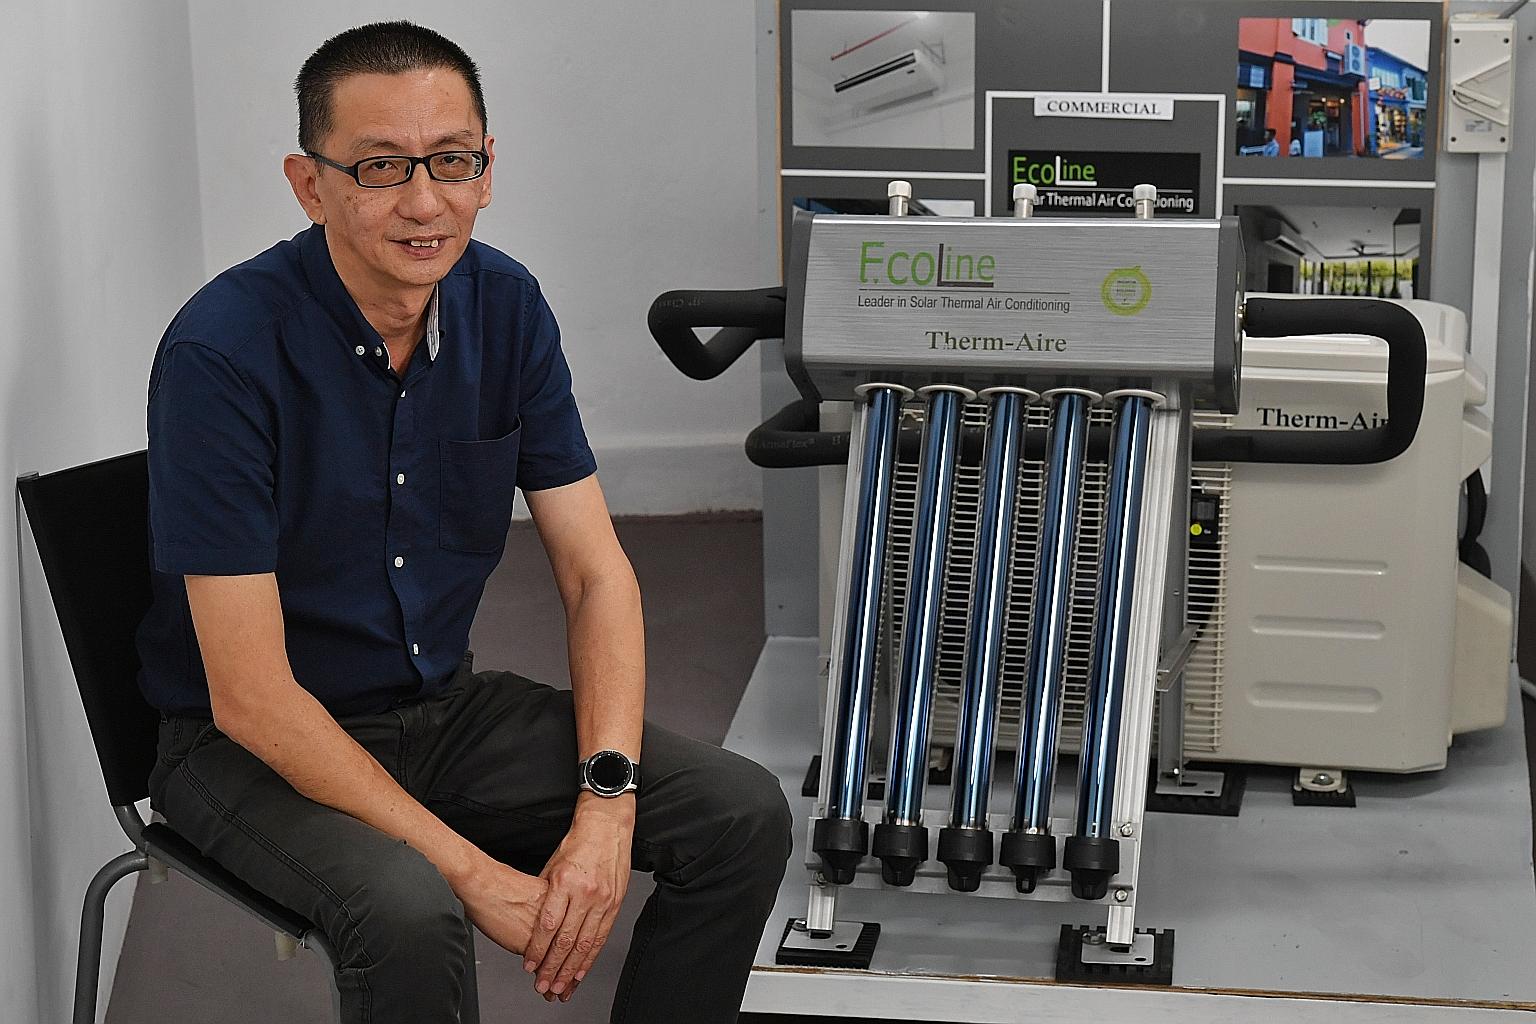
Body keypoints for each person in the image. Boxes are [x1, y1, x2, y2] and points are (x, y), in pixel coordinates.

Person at [135, 20, 792, 1024]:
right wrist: (475, 872)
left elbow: (595, 576)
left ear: (489, 169)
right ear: (310, 184)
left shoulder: (506, 307)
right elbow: (254, 698)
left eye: (452, 160)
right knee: (413, 909)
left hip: (440, 709)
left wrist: (605, 804)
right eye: (380, 166)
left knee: (737, 813)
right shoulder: (223, 355)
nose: (425, 199)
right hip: (246, 749)